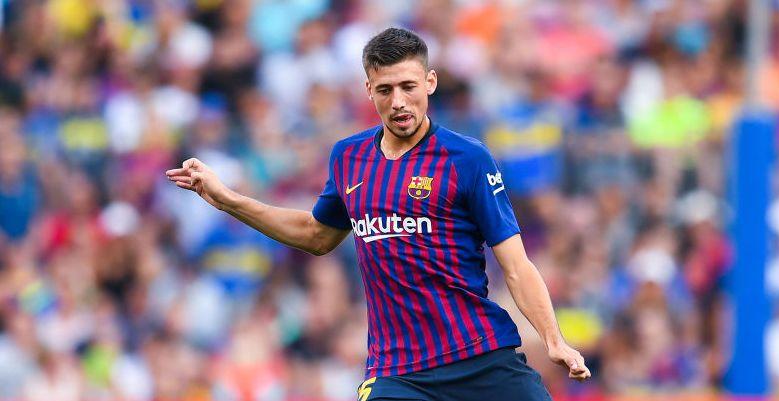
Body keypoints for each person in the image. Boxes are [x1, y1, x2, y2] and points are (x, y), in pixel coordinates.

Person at [166, 27, 590, 401]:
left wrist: (553, 339)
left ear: (430, 82)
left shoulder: (467, 159)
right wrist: (228, 199)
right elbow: (316, 235)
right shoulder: (348, 158)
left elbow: (516, 265)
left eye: (408, 86)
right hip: (398, 372)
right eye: (385, 90)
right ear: (368, 89)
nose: (399, 102)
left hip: (479, 356)